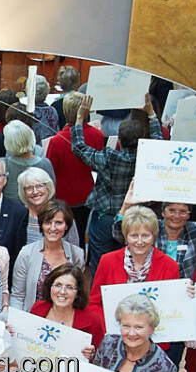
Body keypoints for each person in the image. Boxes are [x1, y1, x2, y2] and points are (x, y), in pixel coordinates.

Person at [69, 94, 162, 264]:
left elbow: (79, 148)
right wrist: (152, 115)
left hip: (105, 217)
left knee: (101, 262)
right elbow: (159, 142)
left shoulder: (110, 158)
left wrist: (79, 119)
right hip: (136, 217)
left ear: (119, 140)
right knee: (132, 263)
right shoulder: (148, 158)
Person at [119, 182, 196, 280]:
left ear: (189, 215)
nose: (177, 216)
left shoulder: (195, 231)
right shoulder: (152, 227)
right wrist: (126, 206)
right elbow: (120, 234)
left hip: (186, 292)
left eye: (183, 211)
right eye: (172, 210)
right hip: (151, 289)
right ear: (163, 212)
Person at [87, 206, 182, 317]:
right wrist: (108, 328)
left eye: (145, 235)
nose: (139, 241)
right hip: (113, 331)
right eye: (134, 236)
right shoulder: (107, 261)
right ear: (126, 237)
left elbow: (173, 305)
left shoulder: (170, 265)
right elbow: (95, 304)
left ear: (154, 237)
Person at [43, 91, 101, 238]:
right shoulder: (97, 135)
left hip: (63, 195)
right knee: (81, 234)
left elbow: (51, 170)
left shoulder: (57, 140)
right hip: (86, 192)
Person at [10, 201, 86, 310]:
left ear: (66, 226)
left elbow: (77, 295)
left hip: (64, 320)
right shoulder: (27, 253)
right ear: (41, 225)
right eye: (48, 222)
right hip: (31, 318)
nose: (53, 228)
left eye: (58, 223)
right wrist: (17, 321)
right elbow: (17, 296)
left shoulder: (77, 254)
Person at [3, 122, 55, 203]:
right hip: (39, 209)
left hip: (12, 211)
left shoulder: (3, 164)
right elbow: (52, 192)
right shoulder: (45, 163)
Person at [17, 168, 61, 248]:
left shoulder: (61, 214)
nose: (35, 192)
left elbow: (73, 250)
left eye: (39, 186)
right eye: (29, 188)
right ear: (23, 192)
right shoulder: (18, 217)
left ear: (48, 187)